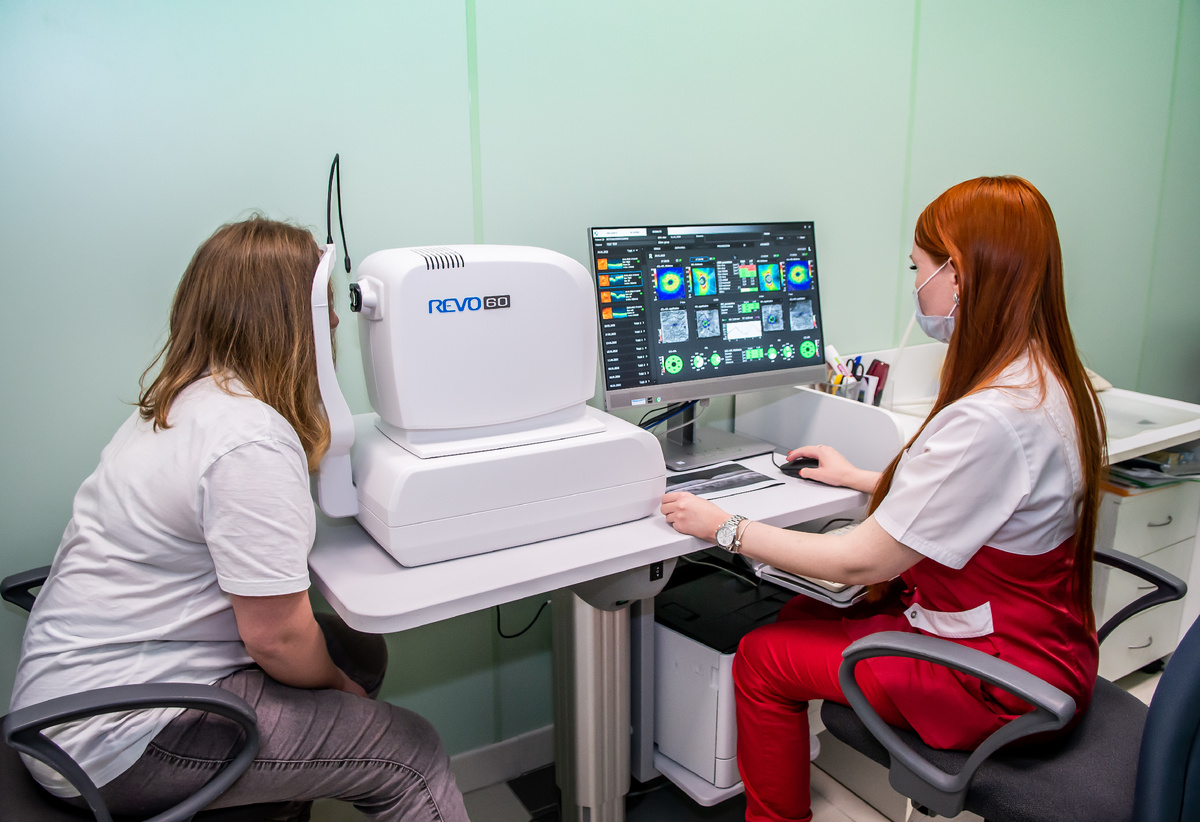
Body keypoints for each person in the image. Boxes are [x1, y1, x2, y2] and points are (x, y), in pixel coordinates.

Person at [661, 176, 1106, 822]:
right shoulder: (1045, 381)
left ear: (959, 277)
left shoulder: (992, 417)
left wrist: (723, 526)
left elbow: (858, 562)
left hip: (995, 682)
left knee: (761, 657)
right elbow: (986, 500)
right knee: (797, 614)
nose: (916, 285)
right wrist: (862, 478)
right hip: (1046, 648)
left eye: (918, 268)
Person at [10, 216, 470, 821]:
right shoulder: (248, 439)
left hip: (75, 695)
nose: (335, 323)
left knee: (360, 650)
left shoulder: (188, 402)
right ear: (289, 321)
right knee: (409, 752)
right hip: (116, 737)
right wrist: (342, 696)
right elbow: (277, 637)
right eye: (325, 309)